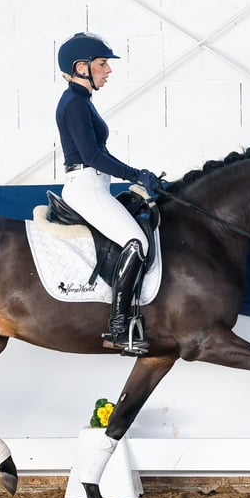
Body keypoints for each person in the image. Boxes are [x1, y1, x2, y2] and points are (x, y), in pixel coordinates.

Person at [55, 32, 162, 356]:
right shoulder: (74, 104)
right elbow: (92, 156)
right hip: (86, 186)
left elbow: (100, 155)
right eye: (102, 64)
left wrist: (137, 176)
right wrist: (135, 174)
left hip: (95, 185)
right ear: (81, 66)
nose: (108, 70)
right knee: (137, 242)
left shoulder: (82, 102)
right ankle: (118, 327)